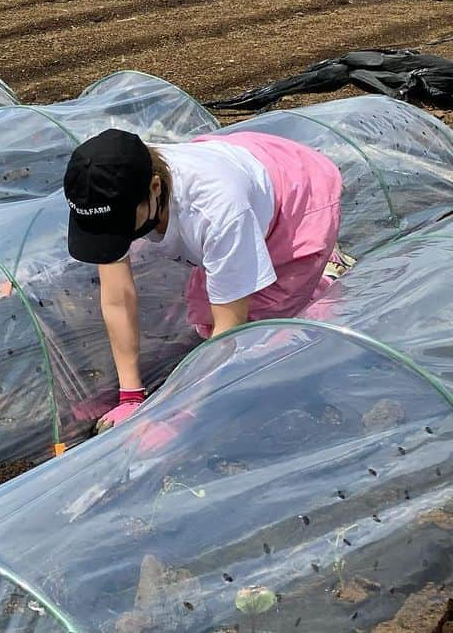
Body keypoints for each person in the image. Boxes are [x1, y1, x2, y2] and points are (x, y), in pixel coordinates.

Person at [64, 129, 346, 433]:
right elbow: (118, 296)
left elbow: (230, 330)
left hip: (297, 199)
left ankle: (327, 272)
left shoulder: (218, 210)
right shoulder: (109, 186)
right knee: (205, 313)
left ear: (155, 188)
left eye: (118, 226)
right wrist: (131, 396)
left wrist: (183, 416)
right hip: (244, 163)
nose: (111, 234)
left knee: (264, 328)